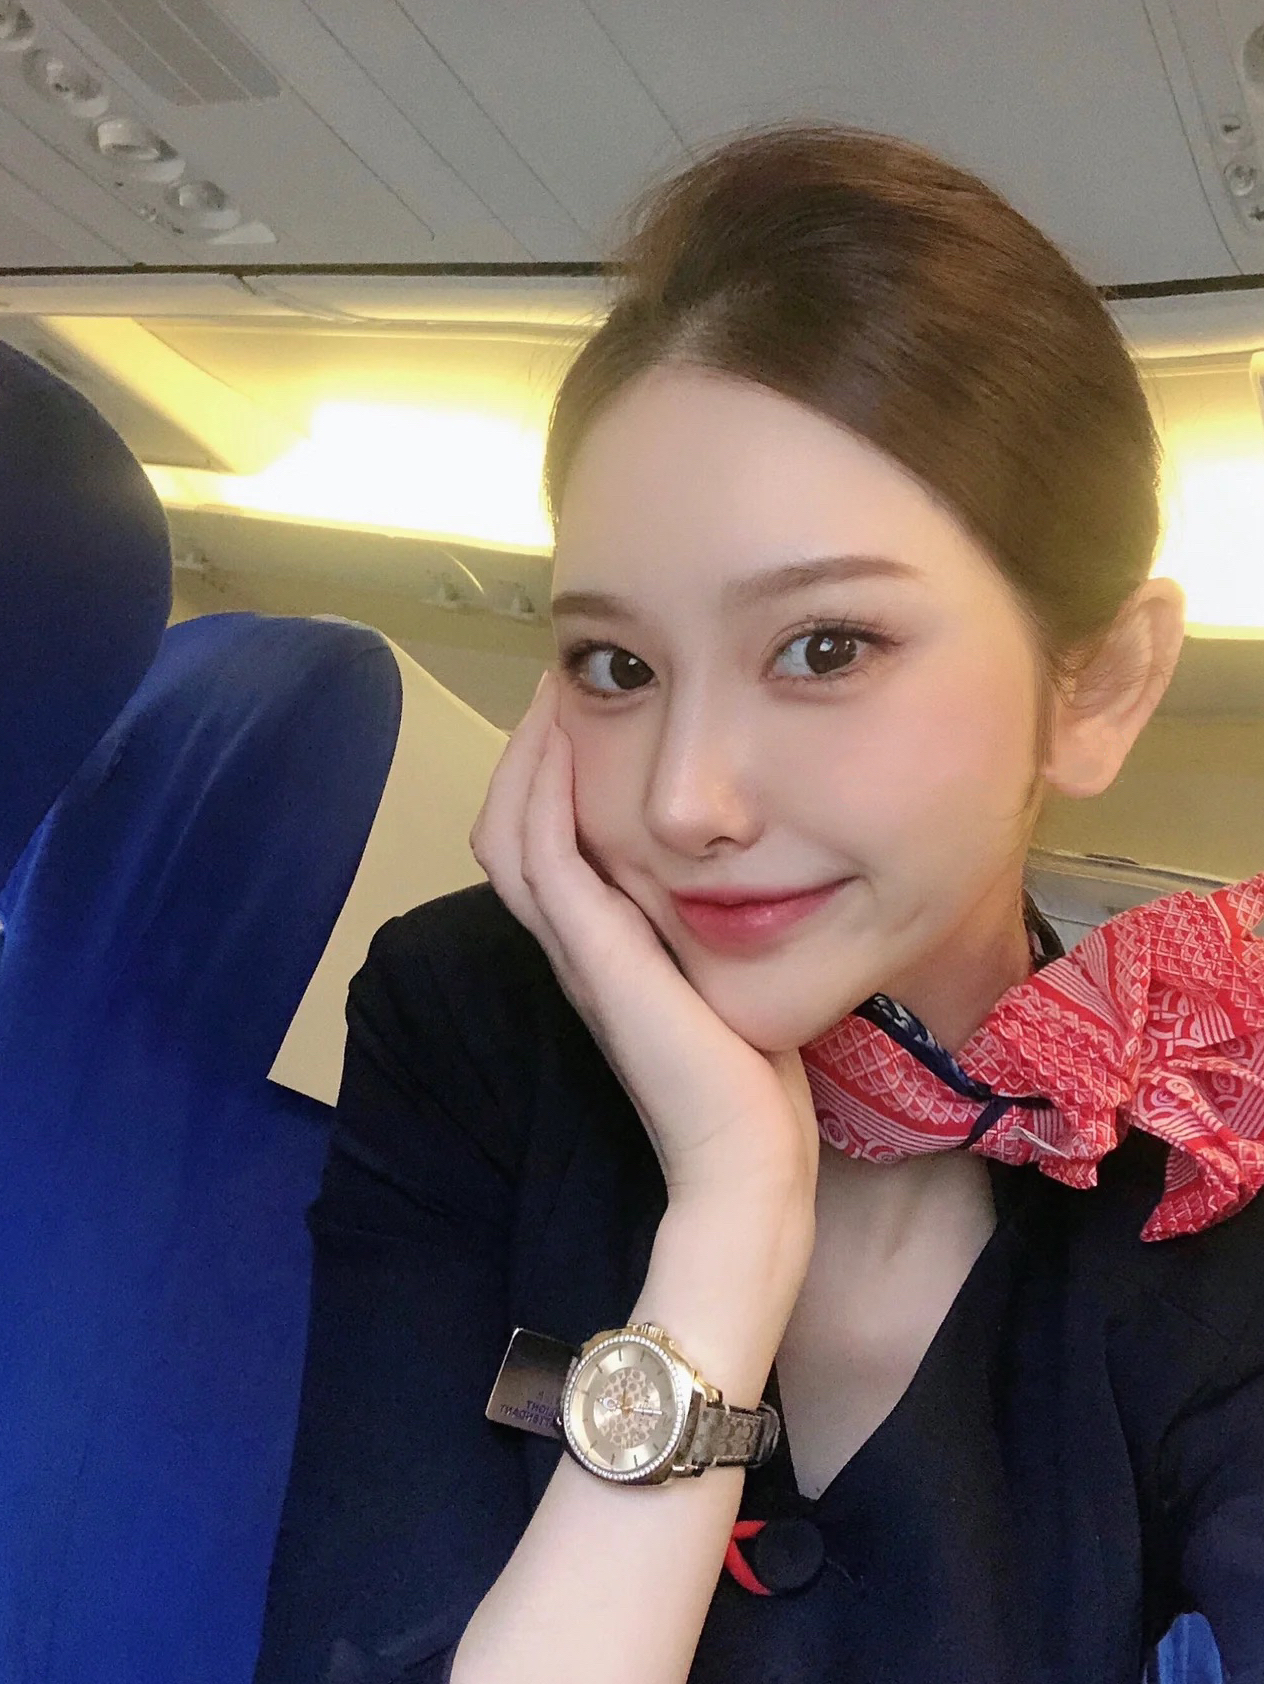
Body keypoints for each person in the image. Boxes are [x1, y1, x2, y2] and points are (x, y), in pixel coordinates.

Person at [253, 125, 1264, 1684]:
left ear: (1099, 686)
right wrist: (731, 1219)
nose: (683, 802)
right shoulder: (468, 1024)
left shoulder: (1209, 1190)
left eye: (825, 649)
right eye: (617, 666)